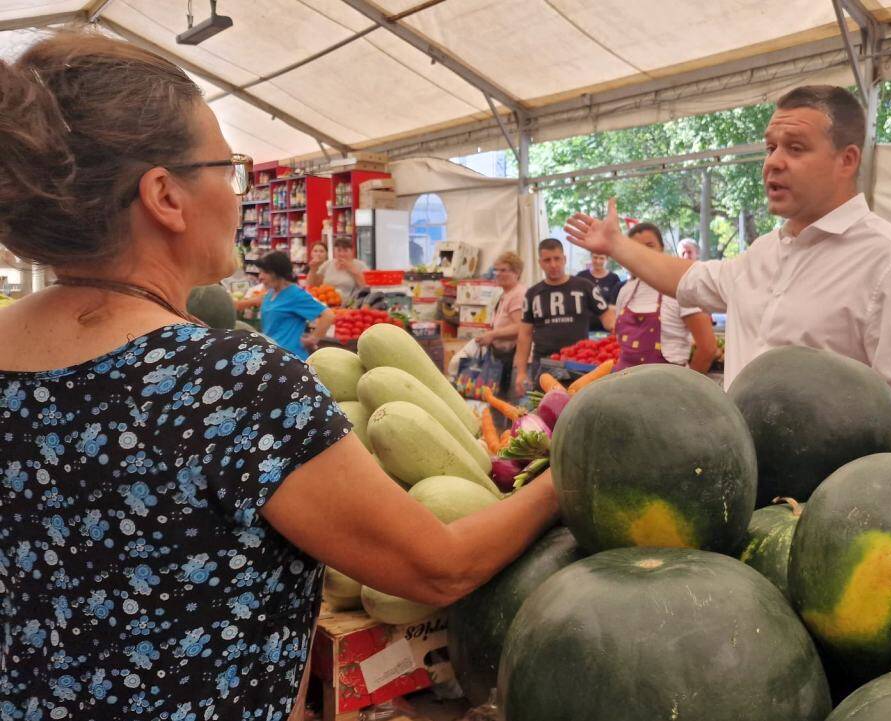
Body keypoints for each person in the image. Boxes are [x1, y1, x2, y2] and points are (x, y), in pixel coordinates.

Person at [0, 33, 557, 721]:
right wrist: (563, 477)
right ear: (165, 195)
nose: (238, 196)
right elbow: (438, 566)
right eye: (229, 170)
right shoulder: (233, 383)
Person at [566, 85, 891, 422]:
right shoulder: (764, 252)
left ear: (847, 160)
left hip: (828, 480)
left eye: (795, 148)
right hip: (741, 468)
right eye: (770, 148)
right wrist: (617, 244)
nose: (773, 162)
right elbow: (688, 280)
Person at [514, 238, 616, 395]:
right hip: (543, 365)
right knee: (543, 406)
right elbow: (524, 335)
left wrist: (619, 331)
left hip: (579, 364)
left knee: (578, 405)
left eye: (557, 258)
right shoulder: (532, 294)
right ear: (540, 263)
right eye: (547, 260)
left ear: (564, 259)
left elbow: (607, 316)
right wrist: (521, 372)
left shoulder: (584, 286)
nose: (553, 264)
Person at [615, 223, 717, 372]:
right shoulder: (625, 291)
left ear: (661, 249)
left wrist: (686, 382)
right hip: (624, 381)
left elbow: (708, 348)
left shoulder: (681, 287)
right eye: (636, 248)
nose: (643, 252)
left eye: (649, 246)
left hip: (667, 384)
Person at [235, 251, 336, 358]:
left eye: (265, 272)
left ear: (278, 272)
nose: (260, 277)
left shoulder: (295, 294)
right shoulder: (270, 294)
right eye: (260, 272)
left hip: (290, 357)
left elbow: (328, 315)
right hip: (272, 355)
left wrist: (313, 338)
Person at [476, 251, 527, 396]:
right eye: (496, 270)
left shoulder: (518, 295)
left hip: (512, 361)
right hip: (502, 359)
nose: (498, 274)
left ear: (517, 272)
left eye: (503, 270)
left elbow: (521, 327)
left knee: (507, 400)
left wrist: (493, 335)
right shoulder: (506, 293)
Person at [309, 237, 367, 302]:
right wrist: (313, 270)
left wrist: (352, 269)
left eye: (345, 251)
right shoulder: (327, 264)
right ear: (334, 251)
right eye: (339, 250)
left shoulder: (360, 265)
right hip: (328, 303)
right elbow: (315, 285)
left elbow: (366, 287)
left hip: (350, 304)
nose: (342, 254)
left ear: (352, 251)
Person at [576, 251, 623, 331]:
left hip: (606, 325)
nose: (598, 261)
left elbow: (617, 303)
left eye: (601, 258)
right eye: (595, 257)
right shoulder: (581, 276)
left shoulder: (614, 278)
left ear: (607, 259)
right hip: (585, 325)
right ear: (591, 257)